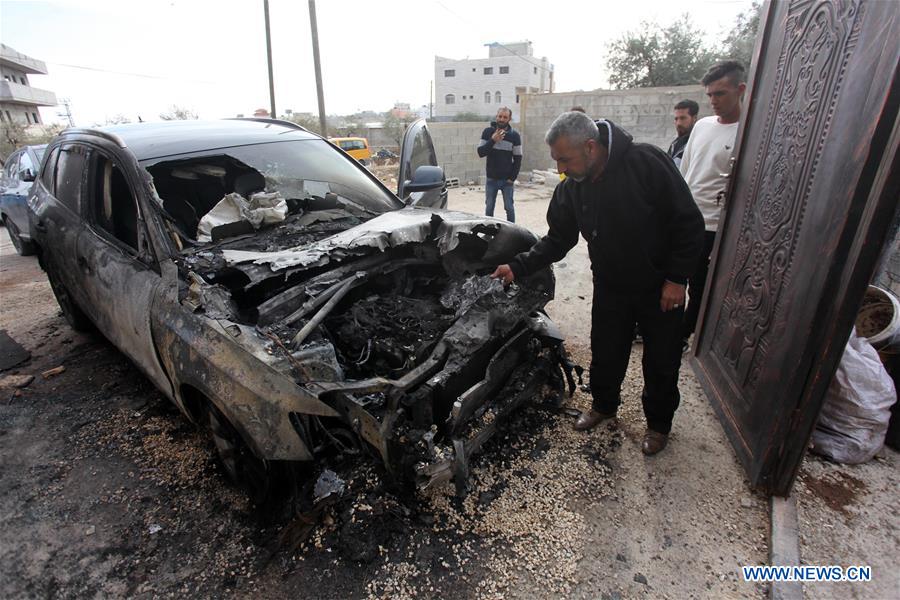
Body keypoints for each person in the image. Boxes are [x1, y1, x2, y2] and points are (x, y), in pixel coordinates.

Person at [491, 112, 704, 455]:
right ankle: (604, 407)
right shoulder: (571, 188)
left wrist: (678, 279)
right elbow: (558, 240)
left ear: (591, 147)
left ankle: (659, 425)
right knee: (606, 351)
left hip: (659, 287)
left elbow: (688, 223)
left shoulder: (646, 163)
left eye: (565, 159)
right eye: (556, 160)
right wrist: (517, 265)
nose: (560, 168)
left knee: (661, 360)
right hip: (610, 286)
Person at [679, 61, 746, 350]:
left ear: (740, 89)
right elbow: (686, 171)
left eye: (720, 94)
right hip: (684, 218)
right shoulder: (703, 126)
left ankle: (684, 336)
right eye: (709, 95)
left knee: (700, 285)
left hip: (714, 226)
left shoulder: (748, 132)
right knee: (670, 276)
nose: (713, 101)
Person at [477, 106, 522, 222]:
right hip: (491, 179)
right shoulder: (487, 132)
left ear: (509, 119)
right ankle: (488, 233)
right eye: (500, 116)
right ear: (496, 117)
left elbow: (518, 158)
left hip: (507, 181)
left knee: (509, 208)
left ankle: (513, 234)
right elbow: (481, 152)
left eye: (505, 117)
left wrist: (512, 178)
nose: (502, 119)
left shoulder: (515, 136)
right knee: (489, 208)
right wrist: (492, 140)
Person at [667, 99, 699, 168]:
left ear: (694, 118)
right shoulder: (675, 144)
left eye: (683, 118)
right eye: (676, 119)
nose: (678, 123)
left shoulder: (698, 143)